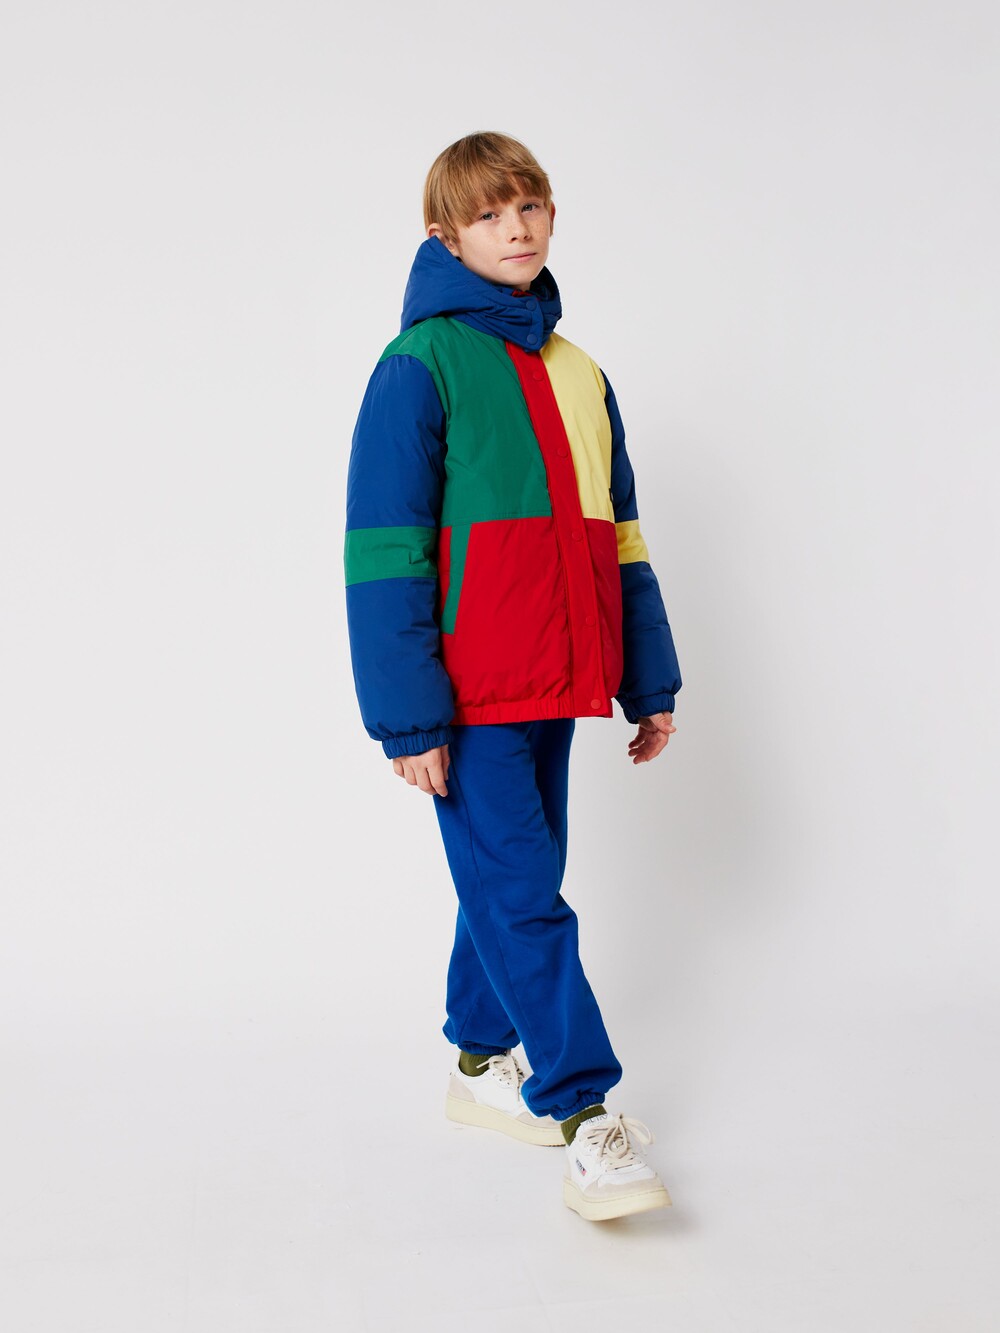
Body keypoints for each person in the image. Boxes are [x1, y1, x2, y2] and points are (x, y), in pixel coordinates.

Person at [344, 131, 682, 1221]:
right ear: (445, 237)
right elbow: (383, 548)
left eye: (530, 206)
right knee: (525, 893)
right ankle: (585, 1112)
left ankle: (479, 1060)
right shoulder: (419, 365)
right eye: (490, 214)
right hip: (470, 693)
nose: (517, 228)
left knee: (507, 884)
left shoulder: (581, 373)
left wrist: (649, 679)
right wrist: (409, 718)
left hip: (562, 681)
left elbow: (620, 537)